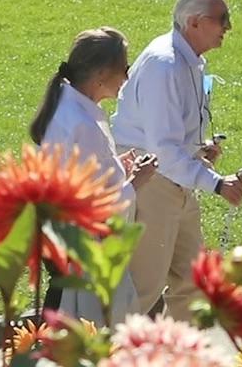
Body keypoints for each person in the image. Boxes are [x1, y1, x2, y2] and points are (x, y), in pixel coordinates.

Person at [111, 0, 242, 322]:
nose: (228, 27)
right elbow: (162, 150)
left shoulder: (188, 60)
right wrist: (217, 183)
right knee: (143, 288)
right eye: (222, 18)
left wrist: (198, 150)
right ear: (195, 22)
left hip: (174, 180)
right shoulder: (165, 66)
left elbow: (171, 139)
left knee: (192, 283)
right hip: (153, 181)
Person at [29, 26, 158, 323]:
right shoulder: (83, 123)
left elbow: (84, 174)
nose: (126, 77)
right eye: (124, 68)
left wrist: (117, 167)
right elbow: (97, 209)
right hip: (79, 250)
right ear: (101, 74)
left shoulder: (67, 103)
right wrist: (137, 180)